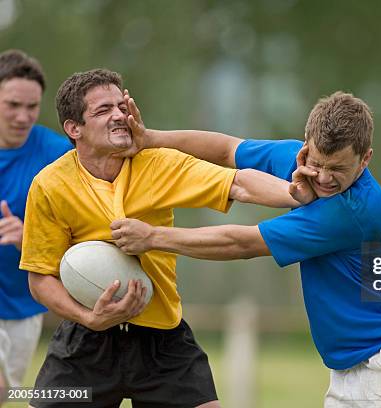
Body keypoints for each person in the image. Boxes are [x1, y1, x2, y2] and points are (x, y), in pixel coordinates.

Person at [111, 91, 381, 407]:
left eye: (338, 169)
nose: (323, 178)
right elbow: (228, 149)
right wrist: (152, 139)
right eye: (317, 164)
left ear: (365, 160)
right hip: (355, 365)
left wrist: (154, 238)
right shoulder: (299, 158)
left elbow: (242, 243)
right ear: (307, 146)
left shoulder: (354, 211)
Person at [19, 68, 312, 408]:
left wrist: (299, 193)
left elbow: (239, 183)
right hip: (86, 341)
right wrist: (89, 318)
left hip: (162, 338)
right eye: (103, 110)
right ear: (74, 128)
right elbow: (40, 278)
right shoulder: (50, 185)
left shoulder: (157, 164)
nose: (118, 115)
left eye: (121, 106)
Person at [0, 50, 72, 403]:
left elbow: (81, 235)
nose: (22, 116)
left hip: (25, 305)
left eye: (32, 107)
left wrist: (28, 236)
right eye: (12, 105)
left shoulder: (58, 155)